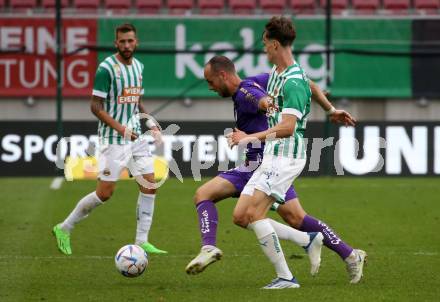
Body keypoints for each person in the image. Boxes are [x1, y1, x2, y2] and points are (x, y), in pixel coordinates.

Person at [185, 55, 365, 285]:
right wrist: (329, 109)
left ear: (222, 75)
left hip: (261, 165)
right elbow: (306, 83)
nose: (210, 87)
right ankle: (348, 254)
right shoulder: (260, 79)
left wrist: (258, 124)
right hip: (263, 162)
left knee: (212, 199)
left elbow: (265, 103)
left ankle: (214, 248)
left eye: (210, 81)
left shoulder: (245, 92)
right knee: (295, 216)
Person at [228, 17, 366, 288]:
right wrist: (331, 110)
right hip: (273, 155)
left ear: (275, 43)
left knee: (254, 215)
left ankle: (286, 277)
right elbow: (312, 85)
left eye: (266, 43)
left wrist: (249, 137)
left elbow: (288, 127)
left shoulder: (290, 80)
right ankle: (308, 239)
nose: (264, 48)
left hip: (285, 156)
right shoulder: (282, 72)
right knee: (241, 215)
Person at [52, 23, 167, 255]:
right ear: (116, 43)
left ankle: (141, 241)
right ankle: (64, 227)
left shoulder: (138, 67)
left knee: (149, 183)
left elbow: (136, 101)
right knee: (105, 193)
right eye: (122, 41)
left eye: (130, 40)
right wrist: (121, 128)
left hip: (135, 136)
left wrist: (150, 122)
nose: (126, 45)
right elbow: (95, 106)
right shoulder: (106, 69)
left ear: (136, 42)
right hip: (113, 139)